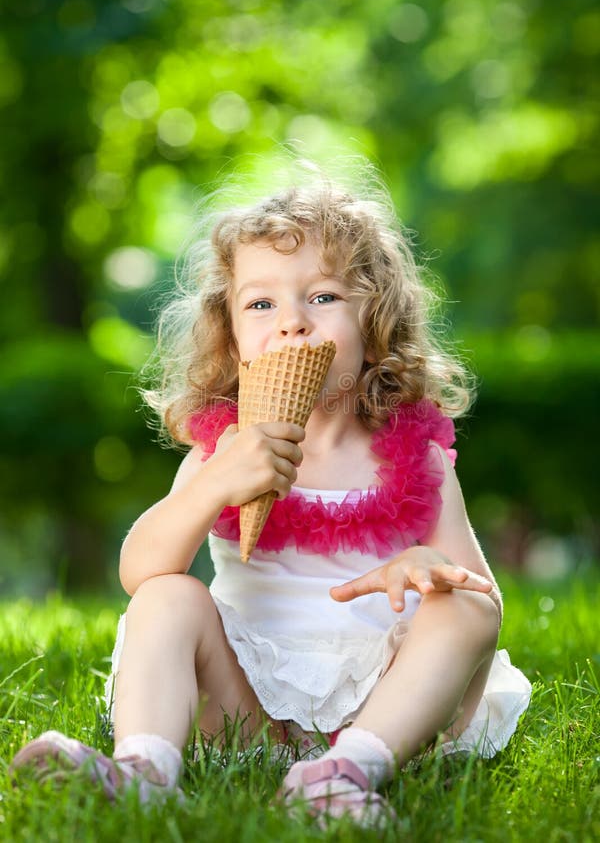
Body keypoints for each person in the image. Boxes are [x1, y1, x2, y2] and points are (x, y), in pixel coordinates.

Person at [10, 162, 531, 824]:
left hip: (384, 707)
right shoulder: (220, 452)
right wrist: (214, 485)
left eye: (323, 297)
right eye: (261, 303)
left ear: (376, 328)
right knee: (169, 595)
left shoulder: (418, 458)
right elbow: (140, 570)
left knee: (466, 608)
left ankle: (344, 775)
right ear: (232, 342)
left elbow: (485, 610)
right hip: (245, 710)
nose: (292, 322)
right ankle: (144, 770)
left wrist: (431, 572)